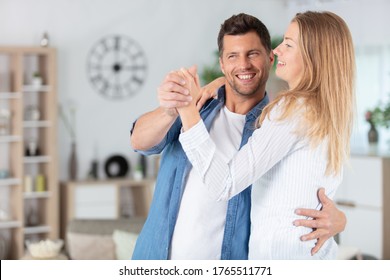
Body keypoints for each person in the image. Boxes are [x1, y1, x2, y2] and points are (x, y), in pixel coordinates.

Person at [130, 13, 346, 260]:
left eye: (252, 54)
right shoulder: (199, 104)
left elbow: (301, 190)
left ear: (270, 58)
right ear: (222, 64)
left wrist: (339, 219)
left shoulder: (275, 122)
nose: (243, 65)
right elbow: (139, 141)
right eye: (233, 56)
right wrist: (174, 108)